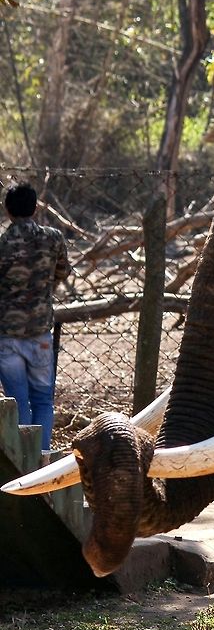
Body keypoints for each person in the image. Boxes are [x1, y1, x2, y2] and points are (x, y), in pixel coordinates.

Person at [0, 183, 71, 452]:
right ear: (36, 207)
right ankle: (41, 461)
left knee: (17, 401)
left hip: (7, 336)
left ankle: (22, 464)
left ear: (8, 211)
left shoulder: (3, 244)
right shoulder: (53, 238)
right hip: (41, 334)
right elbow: (63, 271)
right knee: (43, 400)